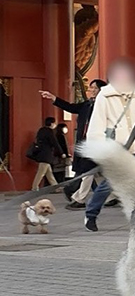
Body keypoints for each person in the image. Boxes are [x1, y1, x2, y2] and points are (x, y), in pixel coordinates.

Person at [84, 59, 135, 232]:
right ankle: (91, 213)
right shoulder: (105, 96)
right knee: (110, 183)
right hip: (116, 147)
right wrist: (98, 147)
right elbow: (97, 123)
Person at [40, 79, 107, 208]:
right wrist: (53, 98)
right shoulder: (87, 105)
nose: (92, 91)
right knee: (88, 171)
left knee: (91, 171)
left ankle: (81, 198)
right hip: (84, 144)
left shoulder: (105, 106)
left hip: (99, 144)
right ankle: (83, 197)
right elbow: (70, 107)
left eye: (95, 88)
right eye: (91, 88)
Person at [31, 117, 65, 190]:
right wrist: (61, 152)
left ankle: (55, 187)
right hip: (47, 154)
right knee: (41, 172)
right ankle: (34, 187)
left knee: (49, 173)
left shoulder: (41, 130)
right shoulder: (49, 131)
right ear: (52, 123)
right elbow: (55, 143)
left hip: (41, 153)